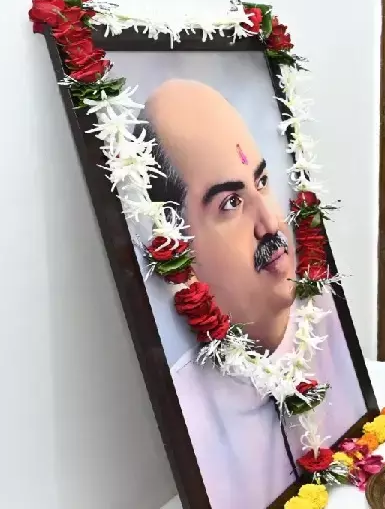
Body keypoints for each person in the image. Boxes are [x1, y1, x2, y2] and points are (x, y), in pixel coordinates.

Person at [144, 79, 366, 509]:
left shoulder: (325, 317)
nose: (271, 223)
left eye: (261, 181)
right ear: (174, 244)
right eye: (230, 202)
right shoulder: (192, 411)